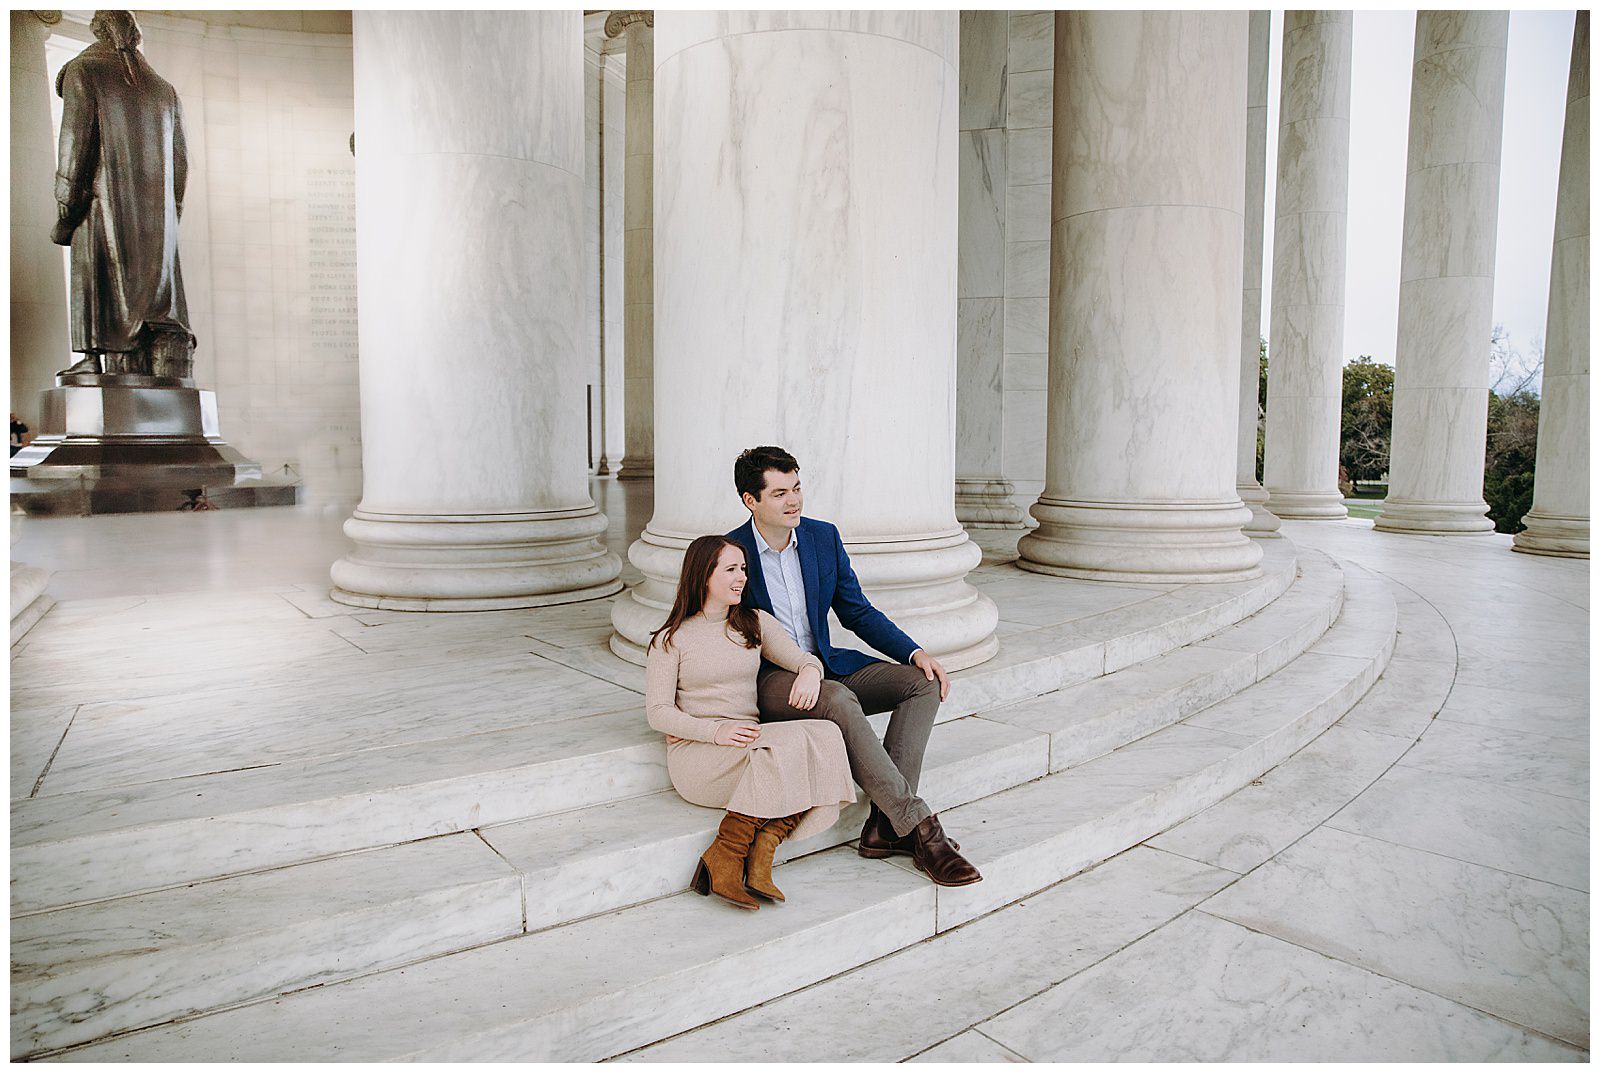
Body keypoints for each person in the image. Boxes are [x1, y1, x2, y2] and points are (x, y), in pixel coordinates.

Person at [726, 446, 982, 888]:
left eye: (798, 488)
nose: (795, 501)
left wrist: (913, 652)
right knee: (840, 698)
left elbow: (857, 612)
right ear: (751, 500)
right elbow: (712, 626)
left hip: (828, 666)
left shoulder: (823, 538)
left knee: (920, 684)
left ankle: (884, 827)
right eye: (781, 493)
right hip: (773, 681)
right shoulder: (731, 552)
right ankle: (920, 828)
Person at [645, 534, 856, 910]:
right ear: (703, 575)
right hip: (702, 756)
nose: (742, 577)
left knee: (826, 732)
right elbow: (658, 712)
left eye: (743, 568)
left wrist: (810, 670)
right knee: (787, 747)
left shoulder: (754, 623)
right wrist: (715, 730)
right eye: (730, 569)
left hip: (750, 744)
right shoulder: (670, 639)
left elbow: (801, 657)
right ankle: (727, 852)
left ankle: (763, 848)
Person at [51, 10, 196, 380]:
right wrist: (168, 219)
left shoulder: (84, 71)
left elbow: (74, 152)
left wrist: (65, 216)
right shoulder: (164, 90)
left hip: (102, 211)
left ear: (96, 31)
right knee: (149, 304)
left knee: (100, 284)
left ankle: (92, 357)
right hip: (156, 230)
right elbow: (181, 169)